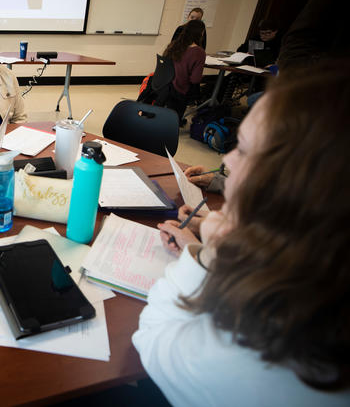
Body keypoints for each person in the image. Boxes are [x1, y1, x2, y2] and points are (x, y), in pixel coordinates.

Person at [134, 62, 350, 406]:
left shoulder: (255, 352)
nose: (228, 160)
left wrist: (206, 257)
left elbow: (154, 340)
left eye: (245, 150)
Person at [161, 19, 206, 121]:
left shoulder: (174, 45)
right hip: (179, 90)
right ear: (200, 34)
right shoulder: (199, 52)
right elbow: (195, 80)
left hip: (163, 85)